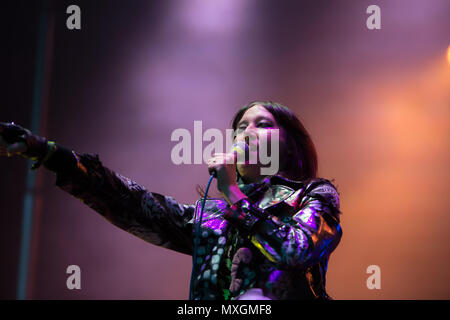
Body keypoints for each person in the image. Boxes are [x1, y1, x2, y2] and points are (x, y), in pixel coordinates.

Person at [0, 101, 342, 300]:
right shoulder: (212, 213)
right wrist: (49, 153)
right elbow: (132, 203)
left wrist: (234, 195)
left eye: (262, 124)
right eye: (239, 126)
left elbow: (295, 250)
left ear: (288, 144)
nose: (245, 132)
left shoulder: (313, 195)